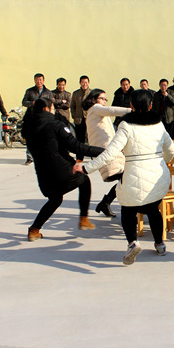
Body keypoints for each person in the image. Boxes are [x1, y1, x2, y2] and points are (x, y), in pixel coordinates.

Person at [75, 89, 174, 266]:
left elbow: (109, 154)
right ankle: (160, 245)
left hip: (133, 176)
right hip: (158, 178)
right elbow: (171, 150)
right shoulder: (158, 124)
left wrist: (86, 168)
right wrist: (162, 161)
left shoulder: (126, 126)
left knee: (128, 210)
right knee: (153, 210)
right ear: (151, 105)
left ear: (131, 105)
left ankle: (133, 243)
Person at [23, 98, 104, 241]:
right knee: (84, 180)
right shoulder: (56, 125)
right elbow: (77, 147)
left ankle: (34, 229)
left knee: (55, 199)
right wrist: (104, 151)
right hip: (62, 171)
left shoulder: (28, 129)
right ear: (47, 109)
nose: (54, 110)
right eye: (53, 108)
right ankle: (84, 218)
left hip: (43, 176)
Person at [82, 89, 131, 218]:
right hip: (106, 151)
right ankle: (127, 211)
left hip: (108, 150)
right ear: (94, 99)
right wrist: (133, 111)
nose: (104, 101)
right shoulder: (95, 108)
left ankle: (106, 203)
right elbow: (112, 110)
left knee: (124, 179)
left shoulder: (94, 112)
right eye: (102, 98)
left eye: (105, 99)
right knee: (125, 179)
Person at [22, 73, 54, 165]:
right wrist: (32, 103)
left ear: (43, 81)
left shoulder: (48, 92)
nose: (38, 81)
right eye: (37, 80)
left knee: (44, 138)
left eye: (40, 80)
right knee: (31, 138)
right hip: (32, 117)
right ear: (34, 80)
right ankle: (29, 158)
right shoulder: (29, 91)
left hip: (44, 118)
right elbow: (24, 102)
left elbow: (51, 104)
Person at [70, 75, 91, 161]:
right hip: (79, 119)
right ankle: (79, 157)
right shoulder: (76, 93)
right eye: (83, 82)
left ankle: (93, 157)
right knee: (79, 140)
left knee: (91, 139)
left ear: (88, 83)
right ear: (80, 83)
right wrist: (74, 115)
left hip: (89, 119)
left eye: (86, 82)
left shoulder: (92, 93)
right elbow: (72, 106)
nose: (84, 84)